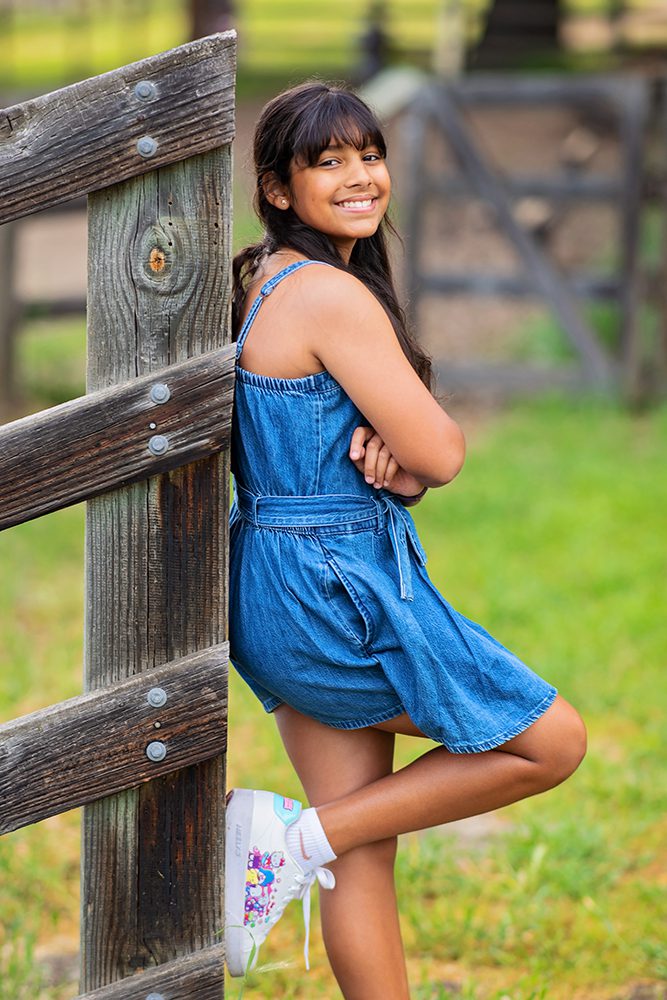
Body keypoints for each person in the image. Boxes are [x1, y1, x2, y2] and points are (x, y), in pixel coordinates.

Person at [225, 81, 586, 998]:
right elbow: (444, 449)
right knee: (548, 743)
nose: (358, 177)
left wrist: (410, 469)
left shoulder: (261, 278)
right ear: (277, 188)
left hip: (278, 575)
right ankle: (291, 838)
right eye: (327, 161)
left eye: (369, 154)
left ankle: (309, 842)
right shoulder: (328, 296)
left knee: (361, 841)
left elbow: (399, 461)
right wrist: (424, 458)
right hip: (331, 589)